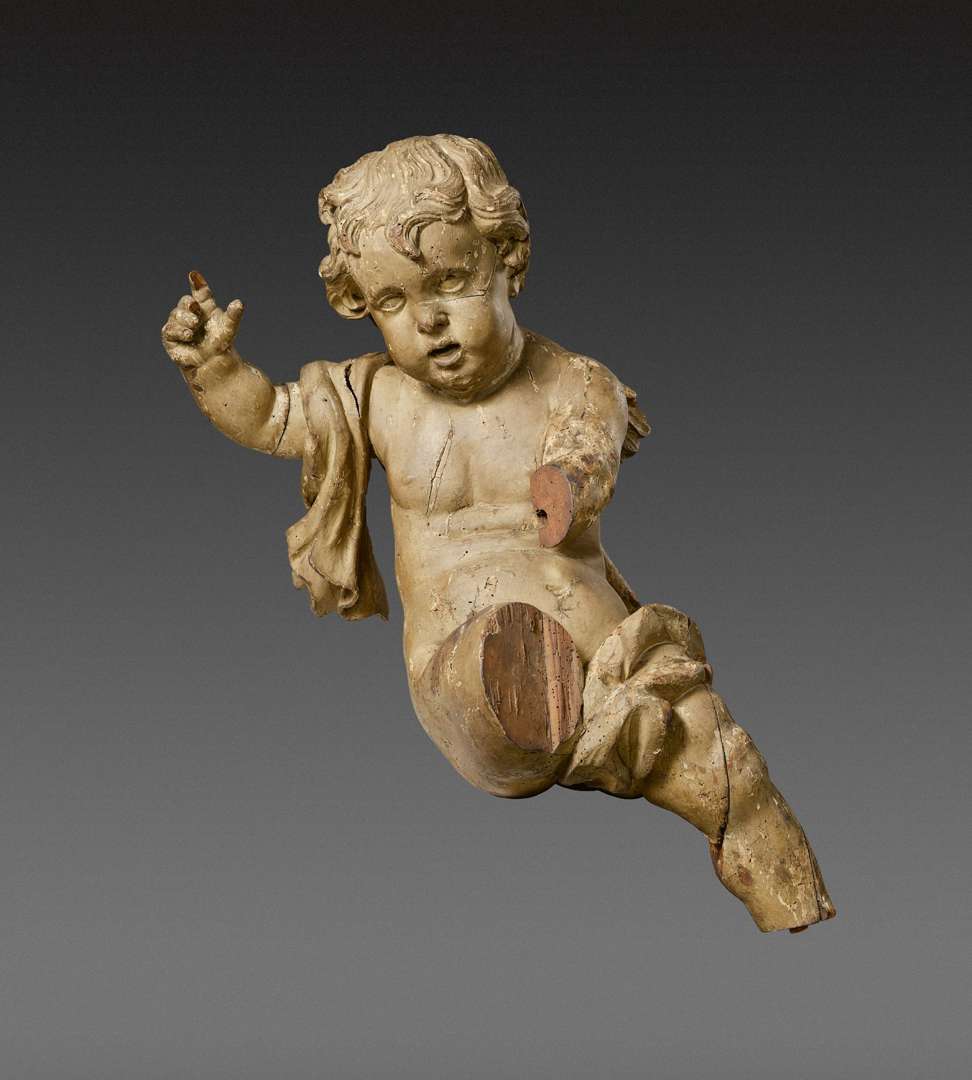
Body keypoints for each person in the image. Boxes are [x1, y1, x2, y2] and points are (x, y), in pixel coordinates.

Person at [161, 134, 835, 932]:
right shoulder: (376, 398)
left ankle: (795, 904)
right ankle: (524, 696)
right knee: (503, 680)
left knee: (733, 770)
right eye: (392, 302)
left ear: (506, 258)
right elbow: (273, 418)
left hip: (611, 656)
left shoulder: (574, 381)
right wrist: (212, 370)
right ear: (361, 305)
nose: (430, 322)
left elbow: (587, 453)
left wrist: (565, 489)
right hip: (468, 664)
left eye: (451, 281)